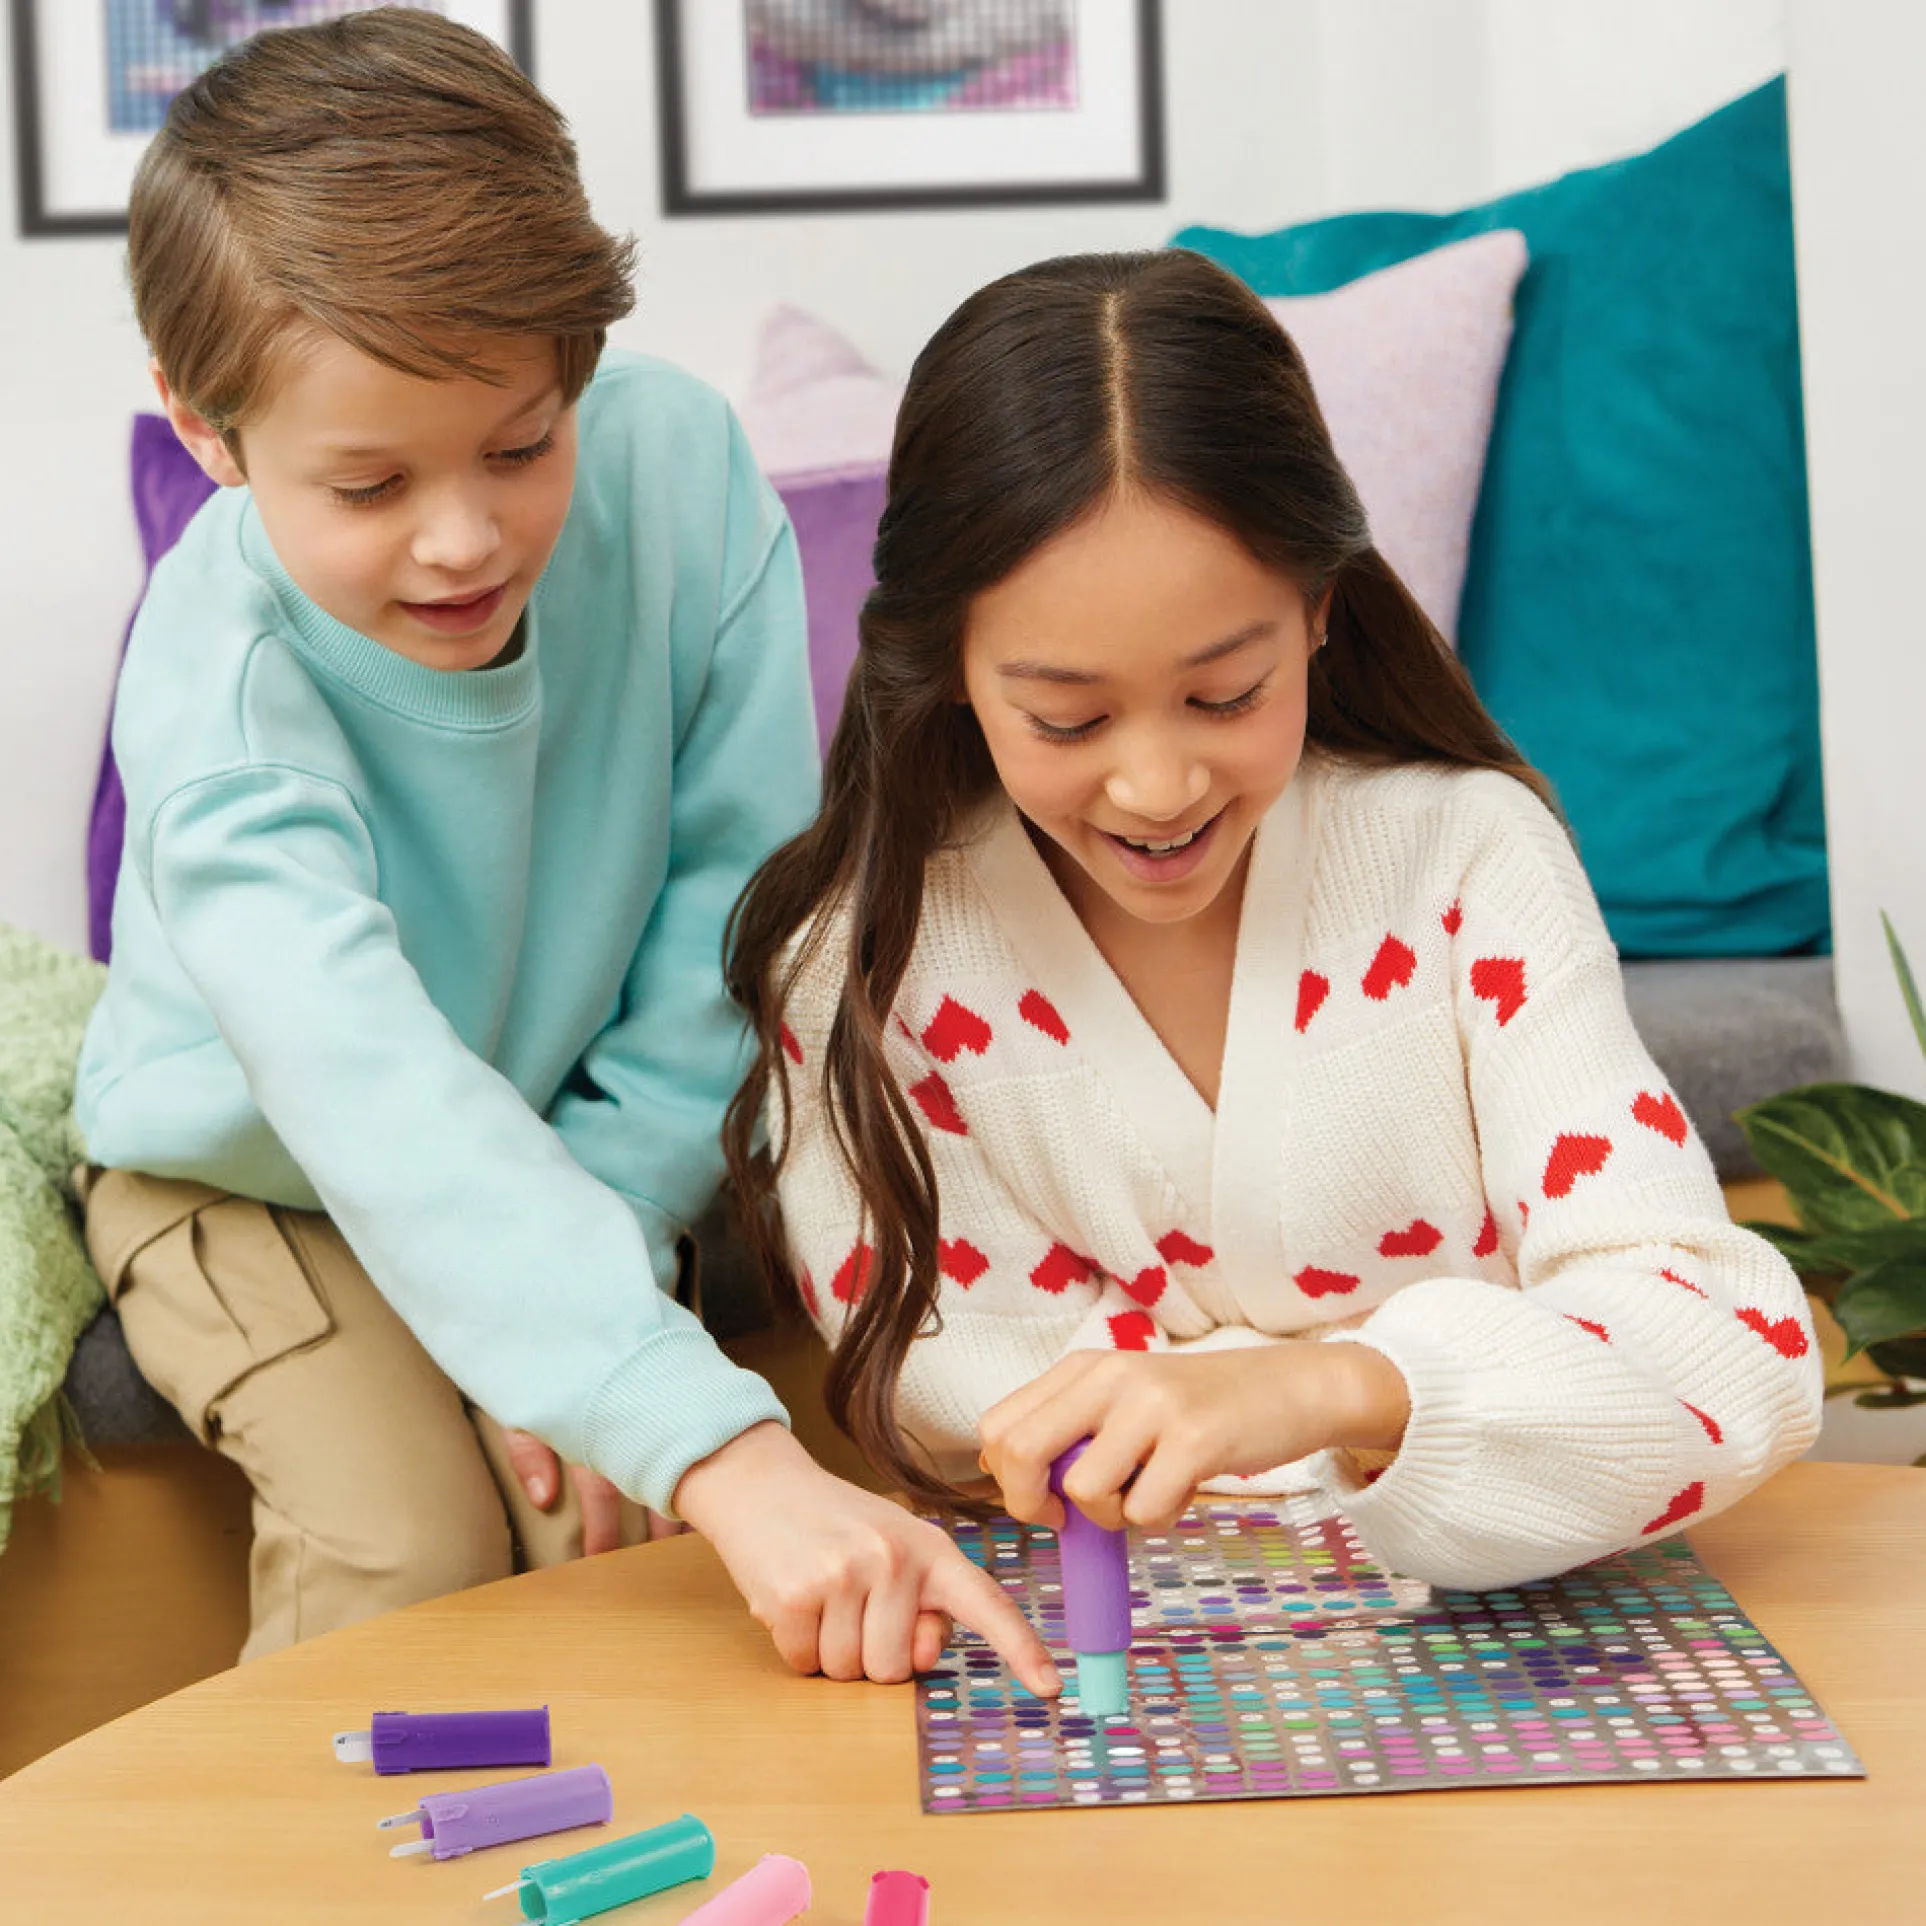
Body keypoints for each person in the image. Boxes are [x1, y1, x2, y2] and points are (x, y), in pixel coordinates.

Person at [77, 8, 1056, 1693]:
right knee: (409, 1547)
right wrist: (719, 1441)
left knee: (588, 1523)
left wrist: (603, 1265)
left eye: (521, 445)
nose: (463, 538)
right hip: (252, 1170)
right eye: (369, 488)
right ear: (203, 429)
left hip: (551, 1138)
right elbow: (367, 1087)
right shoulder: (218, 687)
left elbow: (730, 901)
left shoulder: (681, 470)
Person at [724, 248, 1823, 1601]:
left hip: (1525, 1650)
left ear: (1315, 612)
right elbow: (996, 1417)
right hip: (1121, 1659)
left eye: (1225, 694)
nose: (1156, 786)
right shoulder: (862, 968)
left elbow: (1731, 1354)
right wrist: (1477, 1392)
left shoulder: (1465, 861)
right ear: (948, 662)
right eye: (1067, 718)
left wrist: (1329, 1387)